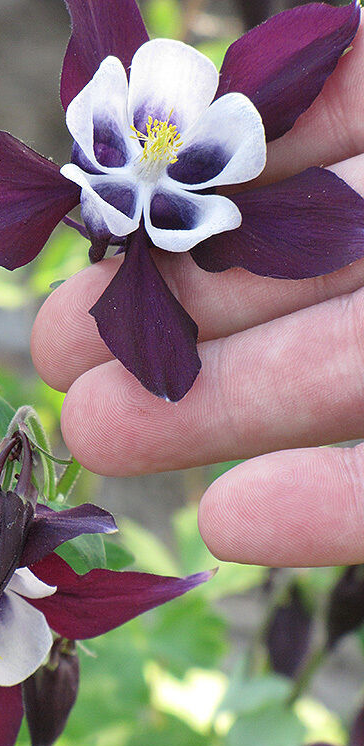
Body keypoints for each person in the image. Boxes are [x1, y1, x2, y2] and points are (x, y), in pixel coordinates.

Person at [31, 19, 364, 570]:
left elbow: (167, 374)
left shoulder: (193, 191)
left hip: (174, 221)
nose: (156, 146)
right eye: (148, 136)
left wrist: (342, 24)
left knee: (119, 409)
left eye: (163, 142)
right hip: (120, 217)